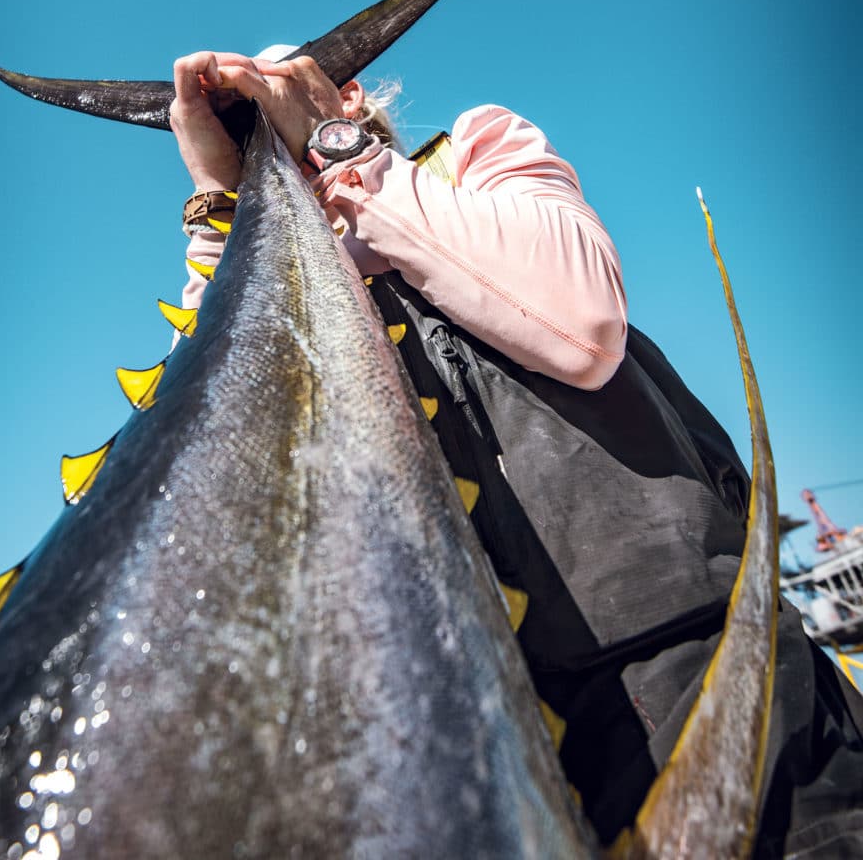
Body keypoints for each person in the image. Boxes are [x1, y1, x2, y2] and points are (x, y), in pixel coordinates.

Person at [168, 49, 863, 857]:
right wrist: (218, 204)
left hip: (684, 677)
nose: (261, 109)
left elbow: (582, 327)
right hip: (445, 747)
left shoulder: (475, 153)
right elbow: (227, 453)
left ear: (346, 90)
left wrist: (333, 141)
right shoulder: (268, 265)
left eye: (279, 82)